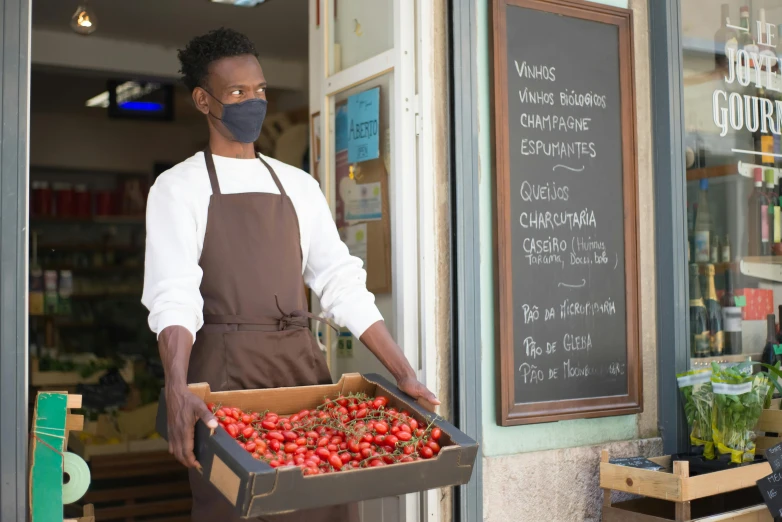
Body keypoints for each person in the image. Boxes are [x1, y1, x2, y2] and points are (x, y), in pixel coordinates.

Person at [141, 28, 439, 522]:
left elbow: (340, 282)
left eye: (260, 91)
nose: (253, 102)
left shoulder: (298, 185)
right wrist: (178, 387)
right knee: (238, 506)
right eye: (237, 93)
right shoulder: (178, 188)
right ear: (203, 99)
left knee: (323, 503)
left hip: (302, 371)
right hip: (223, 381)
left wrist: (403, 372)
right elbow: (173, 296)